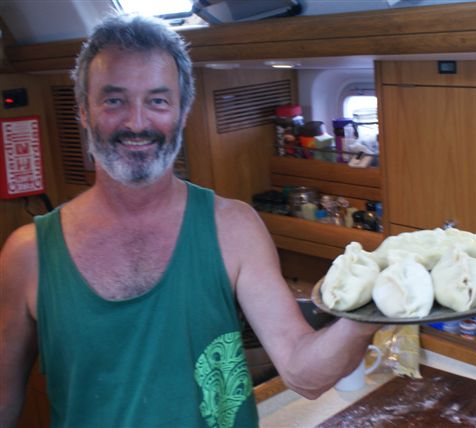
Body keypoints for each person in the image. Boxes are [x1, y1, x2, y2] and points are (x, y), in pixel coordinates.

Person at [0, 14, 378, 427]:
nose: (137, 122)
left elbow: (304, 375)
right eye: (114, 101)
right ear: (84, 113)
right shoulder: (28, 255)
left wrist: (370, 315)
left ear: (182, 113)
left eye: (158, 101)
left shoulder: (233, 228)